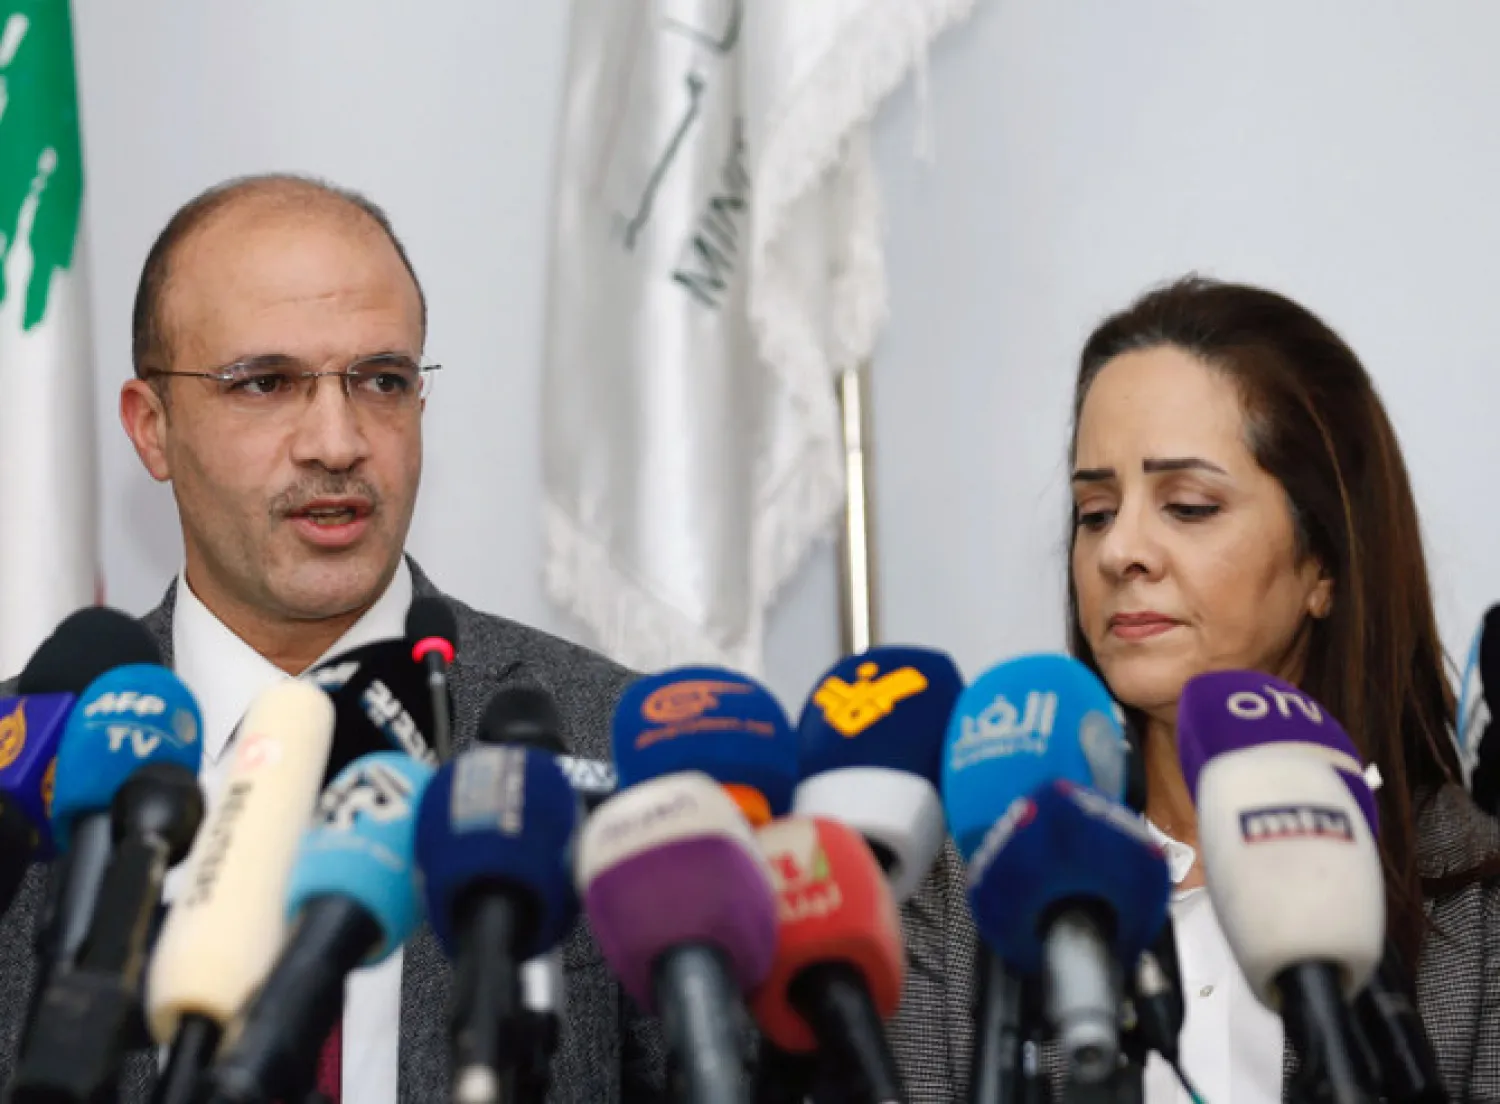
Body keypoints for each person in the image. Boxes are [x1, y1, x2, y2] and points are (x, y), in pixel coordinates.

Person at [0, 174, 668, 1103]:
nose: (337, 442)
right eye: (265, 383)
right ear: (152, 430)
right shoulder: (33, 767)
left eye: (381, 380)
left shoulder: (616, 741)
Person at [1066, 275, 1500, 1101]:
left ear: (1323, 563)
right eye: (1094, 512)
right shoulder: (971, 891)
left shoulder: (1477, 896)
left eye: (1188, 505)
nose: (1120, 550)